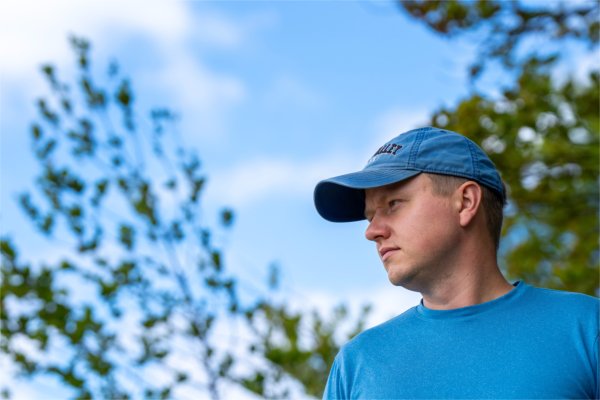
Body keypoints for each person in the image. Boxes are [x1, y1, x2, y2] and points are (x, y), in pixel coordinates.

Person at [313, 127, 598, 399]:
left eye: (393, 204)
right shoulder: (357, 364)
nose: (372, 231)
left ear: (465, 202)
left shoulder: (586, 328)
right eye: (370, 216)